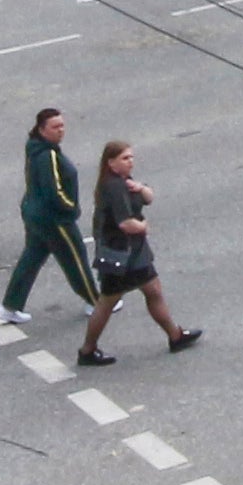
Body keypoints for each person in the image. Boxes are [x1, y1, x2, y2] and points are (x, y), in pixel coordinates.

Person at [72, 137, 201, 363]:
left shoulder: (123, 181)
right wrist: (143, 226)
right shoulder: (114, 186)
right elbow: (125, 223)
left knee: (152, 291)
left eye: (131, 157)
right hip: (122, 254)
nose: (130, 162)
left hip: (131, 252)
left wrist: (140, 187)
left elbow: (148, 198)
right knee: (108, 302)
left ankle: (175, 335)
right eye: (125, 158)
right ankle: (87, 350)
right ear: (110, 163)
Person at [5, 107, 97, 320]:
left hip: (34, 213)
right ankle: (95, 301)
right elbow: (54, 191)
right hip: (54, 219)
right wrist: (71, 208)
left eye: (62, 125)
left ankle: (10, 305)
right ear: (41, 129)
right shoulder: (48, 155)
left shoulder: (35, 148)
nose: (61, 130)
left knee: (33, 256)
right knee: (75, 257)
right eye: (55, 127)